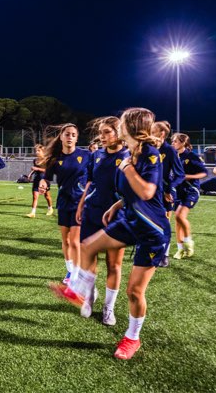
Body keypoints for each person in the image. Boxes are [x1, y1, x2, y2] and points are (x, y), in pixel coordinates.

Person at [50, 107, 170, 360]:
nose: (115, 130)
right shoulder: (131, 154)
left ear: (129, 128)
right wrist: (117, 205)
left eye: (121, 124)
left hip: (152, 229)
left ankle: (131, 338)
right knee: (88, 246)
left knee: (134, 292)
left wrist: (126, 168)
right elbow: (129, 192)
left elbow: (148, 192)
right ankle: (80, 292)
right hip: (128, 219)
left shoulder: (148, 154)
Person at [75, 116, 129, 325]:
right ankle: (88, 297)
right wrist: (81, 205)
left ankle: (109, 308)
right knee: (88, 258)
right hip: (92, 211)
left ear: (119, 133)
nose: (102, 136)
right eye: (101, 132)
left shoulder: (128, 156)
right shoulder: (96, 154)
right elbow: (90, 182)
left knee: (114, 264)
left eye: (107, 132)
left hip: (116, 217)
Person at [38, 124, 92, 285]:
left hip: (80, 203)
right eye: (67, 134)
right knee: (66, 240)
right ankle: (70, 270)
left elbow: (93, 177)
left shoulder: (86, 155)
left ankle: (76, 275)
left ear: (77, 138)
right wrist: (43, 183)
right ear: (61, 137)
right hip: (63, 202)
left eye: (73, 135)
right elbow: (46, 178)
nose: (70, 137)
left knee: (75, 241)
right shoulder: (55, 159)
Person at [151, 121, 185, 266]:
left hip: (164, 194)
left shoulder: (170, 151)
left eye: (153, 131)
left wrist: (169, 189)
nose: (150, 133)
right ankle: (150, 251)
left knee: (164, 224)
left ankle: (164, 255)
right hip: (148, 193)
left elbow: (180, 175)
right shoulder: (146, 148)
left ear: (162, 134)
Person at [170, 133, 207, 258]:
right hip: (178, 190)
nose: (173, 143)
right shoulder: (173, 156)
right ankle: (180, 249)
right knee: (177, 219)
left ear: (183, 143)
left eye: (175, 141)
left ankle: (188, 242)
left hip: (191, 190)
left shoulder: (191, 156)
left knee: (180, 216)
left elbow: (204, 173)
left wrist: (188, 177)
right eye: (172, 141)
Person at [26, 144, 53, 218]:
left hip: (44, 180)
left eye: (39, 150)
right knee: (35, 196)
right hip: (36, 179)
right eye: (36, 151)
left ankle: (50, 208)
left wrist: (37, 169)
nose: (37, 152)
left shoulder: (47, 160)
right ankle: (33, 213)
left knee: (47, 196)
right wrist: (30, 174)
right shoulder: (35, 160)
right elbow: (35, 169)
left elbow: (47, 171)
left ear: (43, 151)